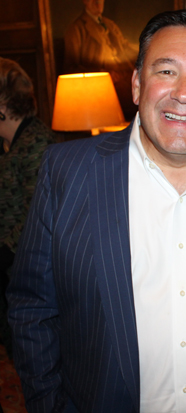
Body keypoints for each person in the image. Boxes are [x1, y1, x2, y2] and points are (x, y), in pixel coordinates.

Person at [8, 10, 186, 413]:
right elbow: (32, 308)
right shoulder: (67, 172)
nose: (184, 93)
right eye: (165, 71)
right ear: (136, 85)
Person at [0, 57, 55, 356]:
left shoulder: (37, 141)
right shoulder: (8, 142)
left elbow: (37, 214)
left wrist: (4, 253)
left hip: (25, 274)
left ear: (4, 104)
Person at [64, 0, 138, 119]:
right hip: (100, 88)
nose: (97, 2)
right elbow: (71, 67)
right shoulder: (76, 29)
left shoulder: (110, 25)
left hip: (124, 80)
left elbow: (126, 48)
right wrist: (103, 73)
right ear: (85, 2)